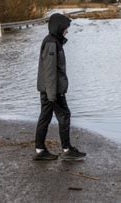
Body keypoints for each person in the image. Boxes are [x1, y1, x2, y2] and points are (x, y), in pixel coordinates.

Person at [34, 13, 86, 161]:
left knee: (45, 117)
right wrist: (53, 95)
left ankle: (40, 150)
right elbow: (50, 71)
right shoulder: (51, 43)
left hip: (49, 89)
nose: (67, 31)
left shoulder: (53, 41)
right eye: (65, 28)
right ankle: (66, 149)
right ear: (59, 28)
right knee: (64, 116)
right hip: (52, 91)